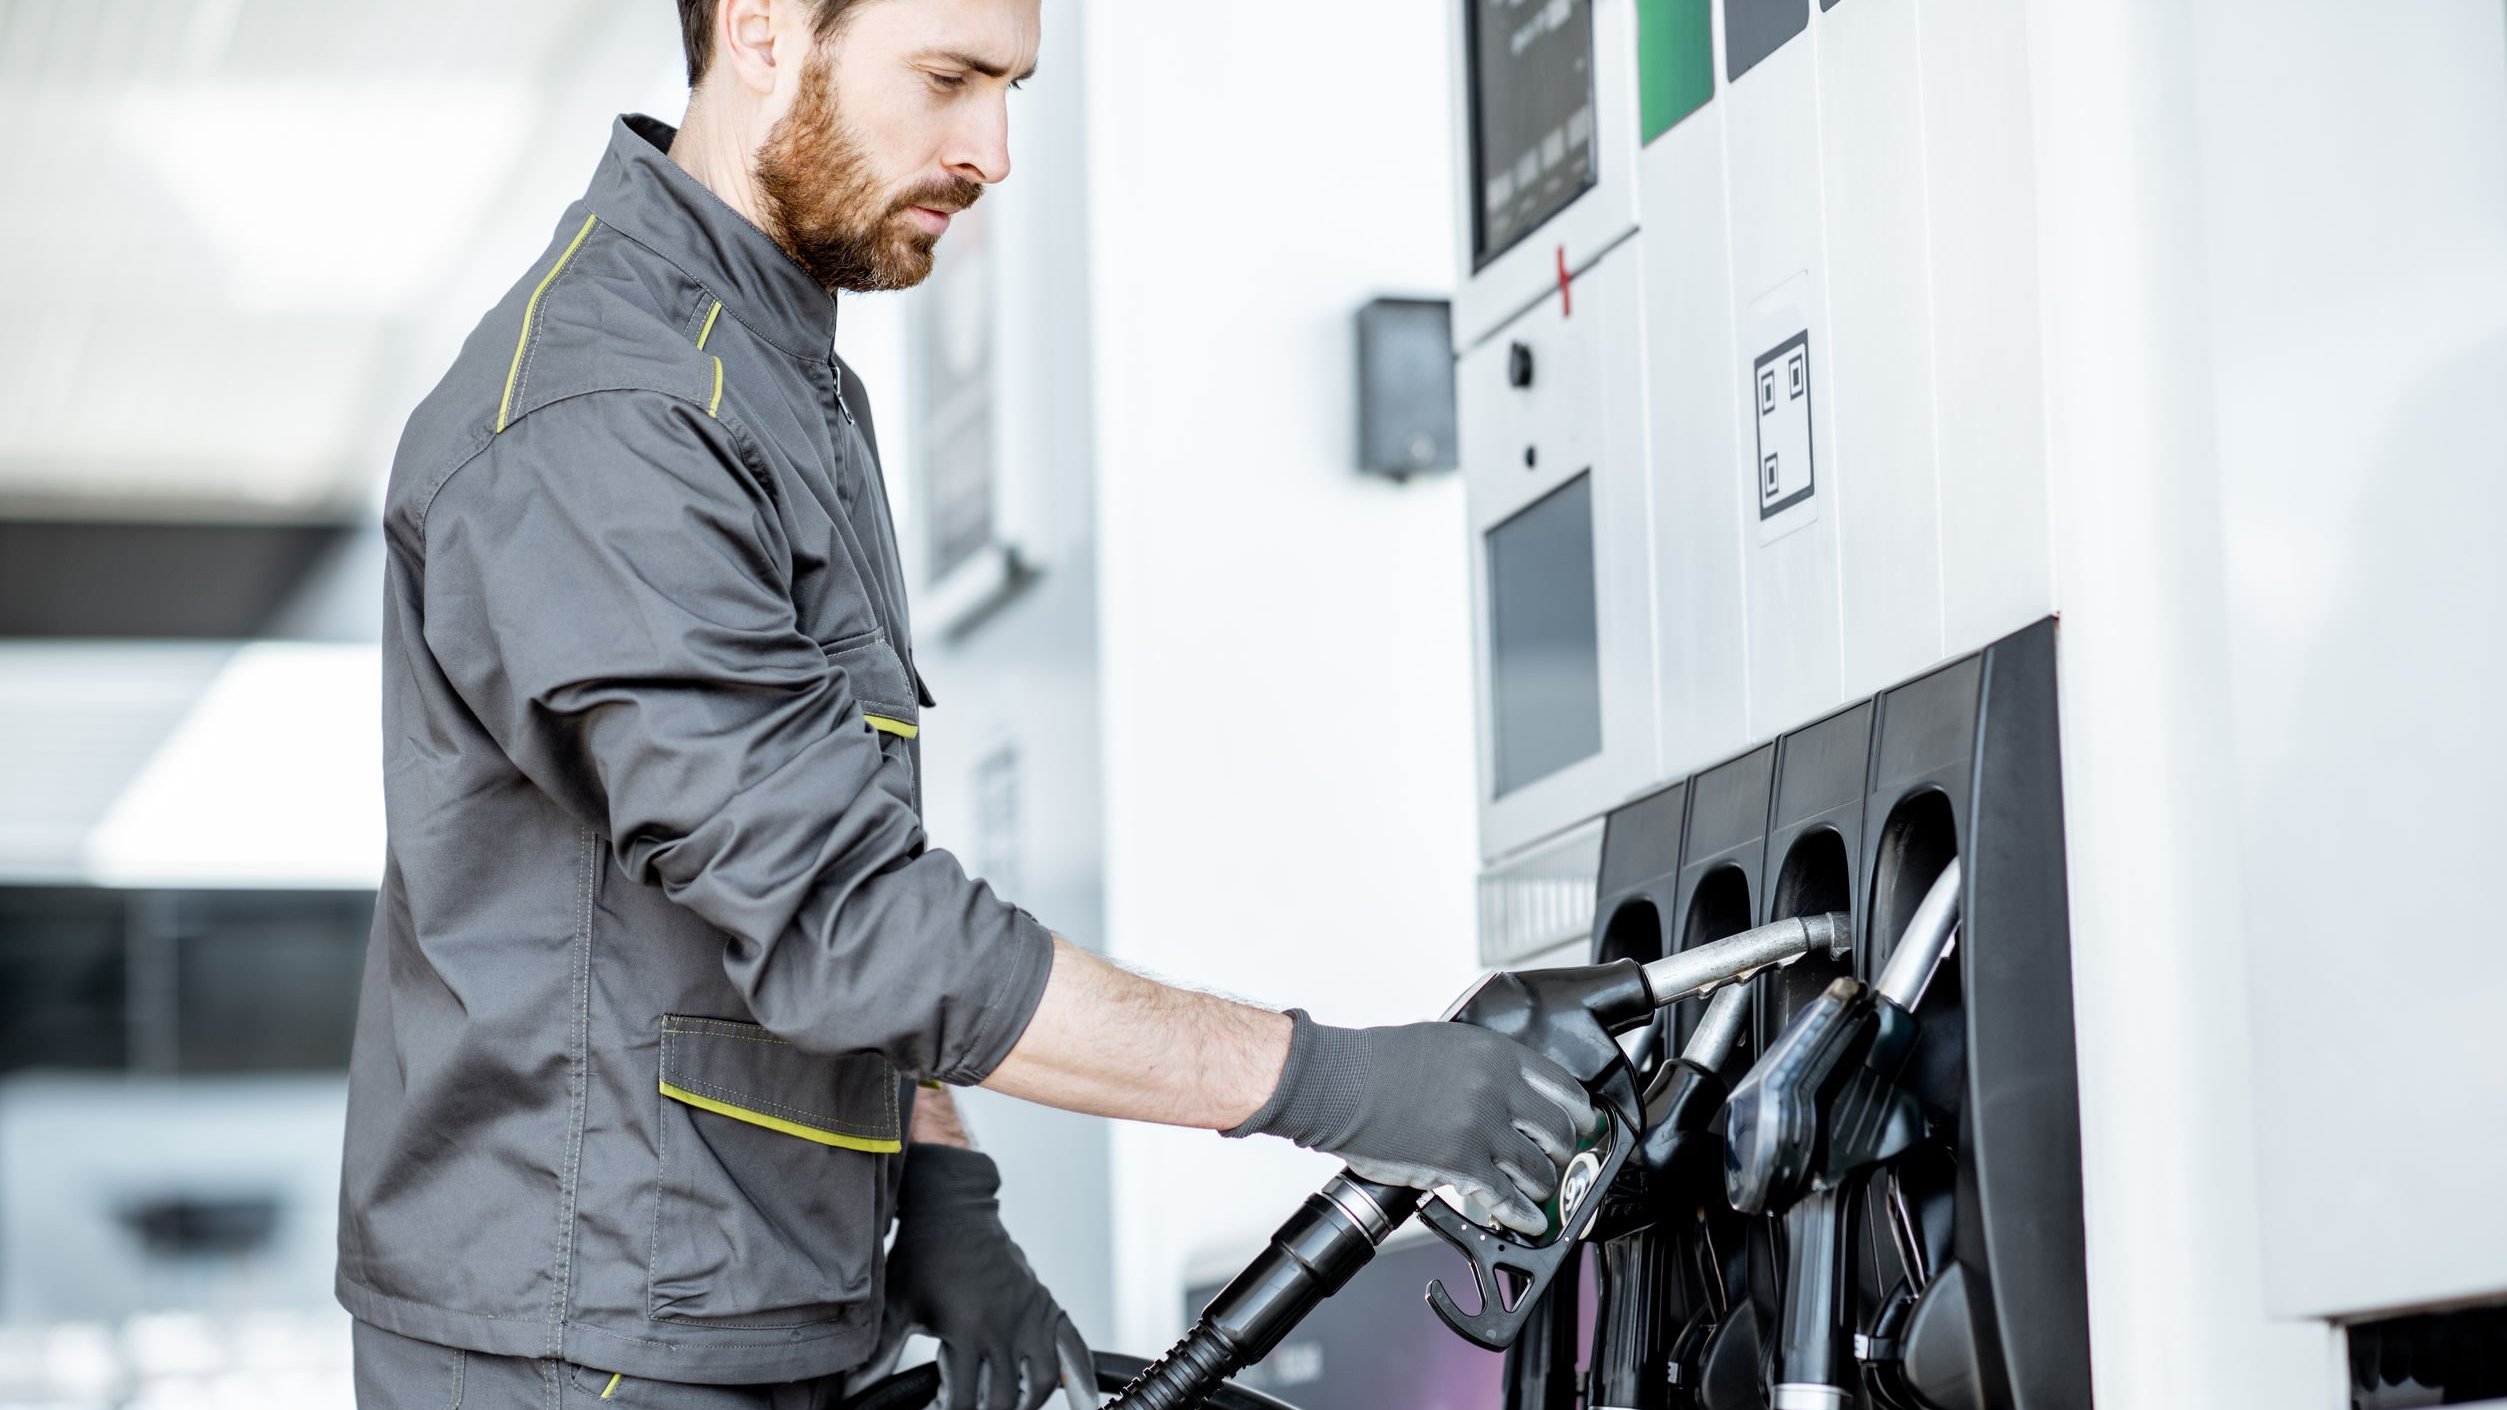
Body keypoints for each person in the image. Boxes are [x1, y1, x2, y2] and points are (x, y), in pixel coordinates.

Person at [337, 1, 1596, 1406]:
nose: (991, 149)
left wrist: (938, 1171)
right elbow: (848, 921)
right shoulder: (610, 412)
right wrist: (1337, 1082)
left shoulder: (781, 379)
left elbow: (792, 863)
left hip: (750, 1308)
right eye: (946, 79)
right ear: (759, 31)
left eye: (1011, 88)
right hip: (588, 1352)